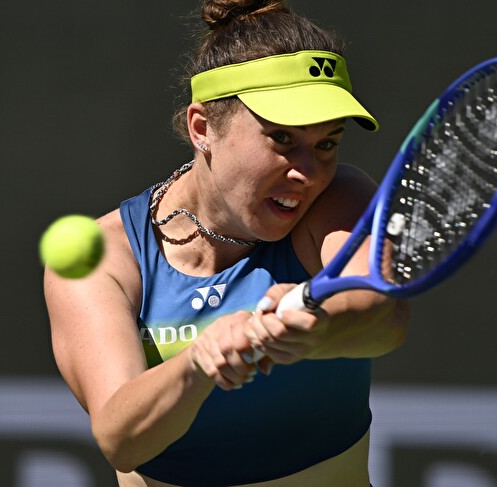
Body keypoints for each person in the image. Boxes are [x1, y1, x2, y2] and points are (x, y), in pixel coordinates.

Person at [44, 1, 408, 485]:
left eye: (326, 143)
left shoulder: (339, 199)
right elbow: (122, 439)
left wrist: (312, 326)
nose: (307, 172)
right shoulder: (108, 257)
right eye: (282, 139)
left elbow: (382, 314)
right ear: (202, 128)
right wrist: (199, 362)